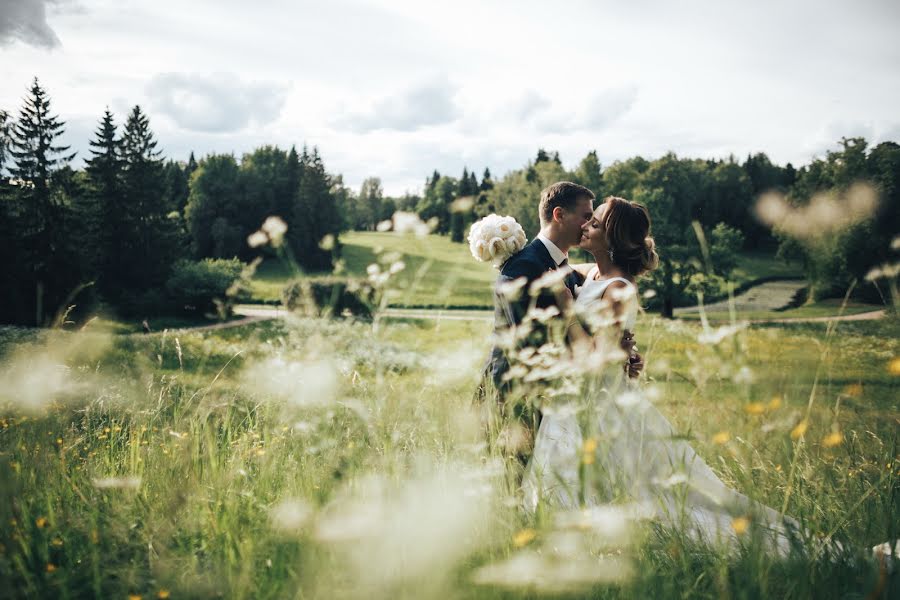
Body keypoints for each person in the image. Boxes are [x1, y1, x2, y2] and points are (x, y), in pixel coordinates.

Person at [522, 196, 808, 556]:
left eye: (594, 223)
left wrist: (566, 309)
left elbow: (592, 358)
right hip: (573, 399)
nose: (585, 226)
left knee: (645, 497)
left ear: (612, 238)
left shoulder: (620, 289)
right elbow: (554, 268)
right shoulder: (591, 273)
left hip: (596, 402)